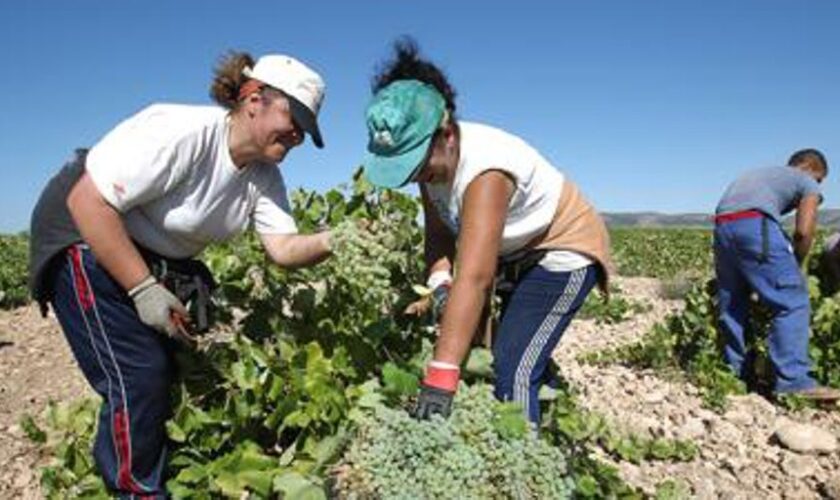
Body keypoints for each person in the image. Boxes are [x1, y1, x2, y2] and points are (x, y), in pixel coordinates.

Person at [28, 51, 332, 497]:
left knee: (174, 356)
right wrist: (144, 289)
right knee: (138, 373)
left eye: (306, 128)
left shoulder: (263, 175)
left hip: (143, 245)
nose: (297, 134)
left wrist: (332, 241)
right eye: (293, 116)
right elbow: (87, 203)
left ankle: (149, 448)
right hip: (81, 233)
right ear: (253, 98)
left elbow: (283, 249)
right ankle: (136, 490)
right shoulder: (182, 131)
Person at [361, 39, 612, 424]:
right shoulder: (430, 166)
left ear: (446, 133)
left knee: (514, 371)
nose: (416, 175)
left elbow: (476, 278)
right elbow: (441, 235)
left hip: (561, 250)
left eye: (416, 162)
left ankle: (526, 475)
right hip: (511, 255)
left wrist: (440, 379)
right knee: (488, 352)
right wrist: (440, 282)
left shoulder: (487, 171)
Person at [713, 149, 840, 400]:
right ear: (811, 169)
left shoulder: (759, 175)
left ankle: (734, 377)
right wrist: (796, 265)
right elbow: (804, 232)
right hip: (754, 224)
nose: (818, 186)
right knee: (792, 300)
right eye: (820, 180)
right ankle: (794, 381)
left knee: (734, 304)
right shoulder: (805, 180)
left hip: (721, 226)